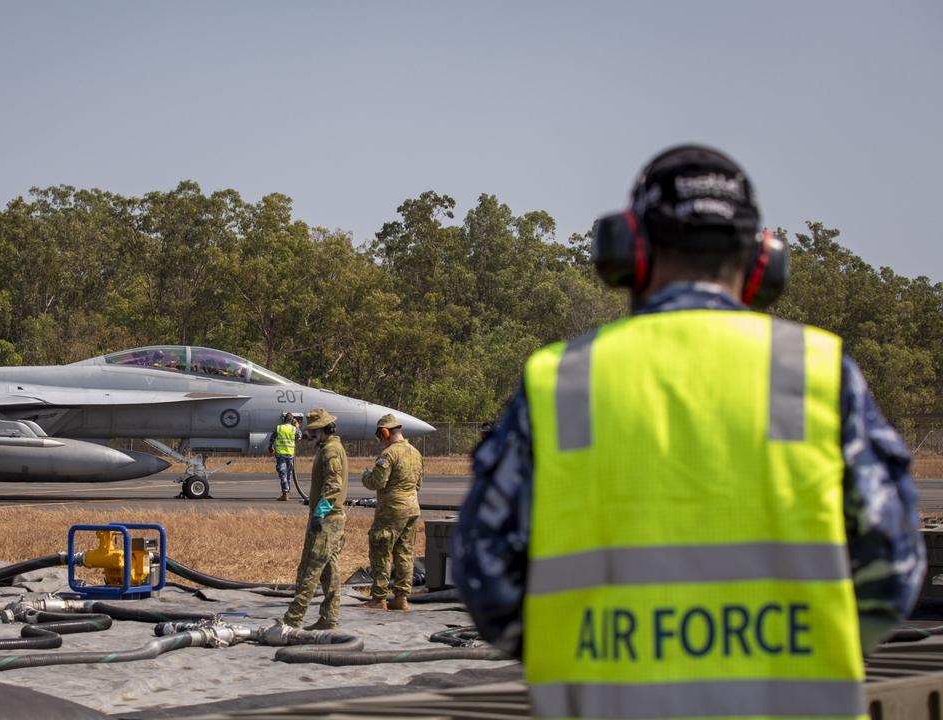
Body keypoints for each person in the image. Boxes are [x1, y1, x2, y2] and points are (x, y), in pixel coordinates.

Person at [452, 145, 925, 719]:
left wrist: (578, 653)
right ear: (762, 264)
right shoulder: (818, 372)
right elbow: (892, 569)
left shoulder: (563, 381)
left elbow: (484, 575)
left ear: (627, 250)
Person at [282, 407, 348, 630]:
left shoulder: (330, 451)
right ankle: (329, 618)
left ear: (325, 429)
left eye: (313, 431)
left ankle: (293, 619)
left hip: (328, 518)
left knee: (312, 568)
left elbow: (334, 485)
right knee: (329, 570)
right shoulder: (327, 448)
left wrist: (320, 512)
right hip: (327, 516)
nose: (309, 435)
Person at [358, 414, 423, 610]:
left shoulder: (388, 454)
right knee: (404, 553)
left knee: (380, 550)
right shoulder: (415, 453)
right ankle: (401, 598)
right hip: (412, 509)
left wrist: (365, 476)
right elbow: (418, 484)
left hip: (391, 511)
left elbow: (377, 482)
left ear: (384, 433)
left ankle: (379, 598)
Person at [268, 411, 300, 501]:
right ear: (292, 420)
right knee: (288, 473)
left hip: (280, 454)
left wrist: (270, 447)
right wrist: (297, 427)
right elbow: (299, 437)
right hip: (290, 454)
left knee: (283, 473)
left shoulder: (279, 428)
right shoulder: (294, 429)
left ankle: (285, 493)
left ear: (284, 419)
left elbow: (272, 439)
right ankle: (286, 492)